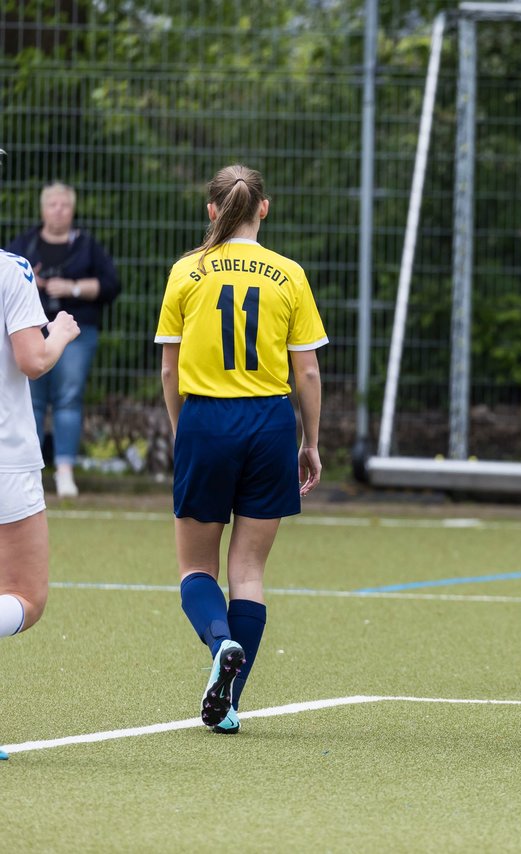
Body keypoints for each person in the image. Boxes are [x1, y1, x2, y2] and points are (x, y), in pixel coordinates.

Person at [154, 164, 326, 735]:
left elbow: (170, 368)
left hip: (207, 417)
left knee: (194, 568)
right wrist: (311, 441)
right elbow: (307, 372)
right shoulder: (289, 274)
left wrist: (185, 431)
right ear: (264, 209)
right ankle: (228, 702)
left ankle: (219, 644)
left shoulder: (186, 272)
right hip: (270, 422)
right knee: (247, 571)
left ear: (211, 211)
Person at [1, 243, 81, 761]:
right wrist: (62, 332)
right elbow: (33, 360)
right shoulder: (12, 270)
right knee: (26, 598)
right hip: (6, 457)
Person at [5, 181, 121, 499]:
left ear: (73, 209)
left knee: (68, 399)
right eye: (53, 204)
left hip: (75, 331)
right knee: (31, 400)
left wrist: (71, 288)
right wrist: (35, 285)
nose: (59, 210)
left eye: (65, 205)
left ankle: (65, 471)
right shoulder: (23, 247)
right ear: (43, 209)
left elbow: (111, 285)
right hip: (28, 330)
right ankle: (30, 469)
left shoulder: (87, 246)